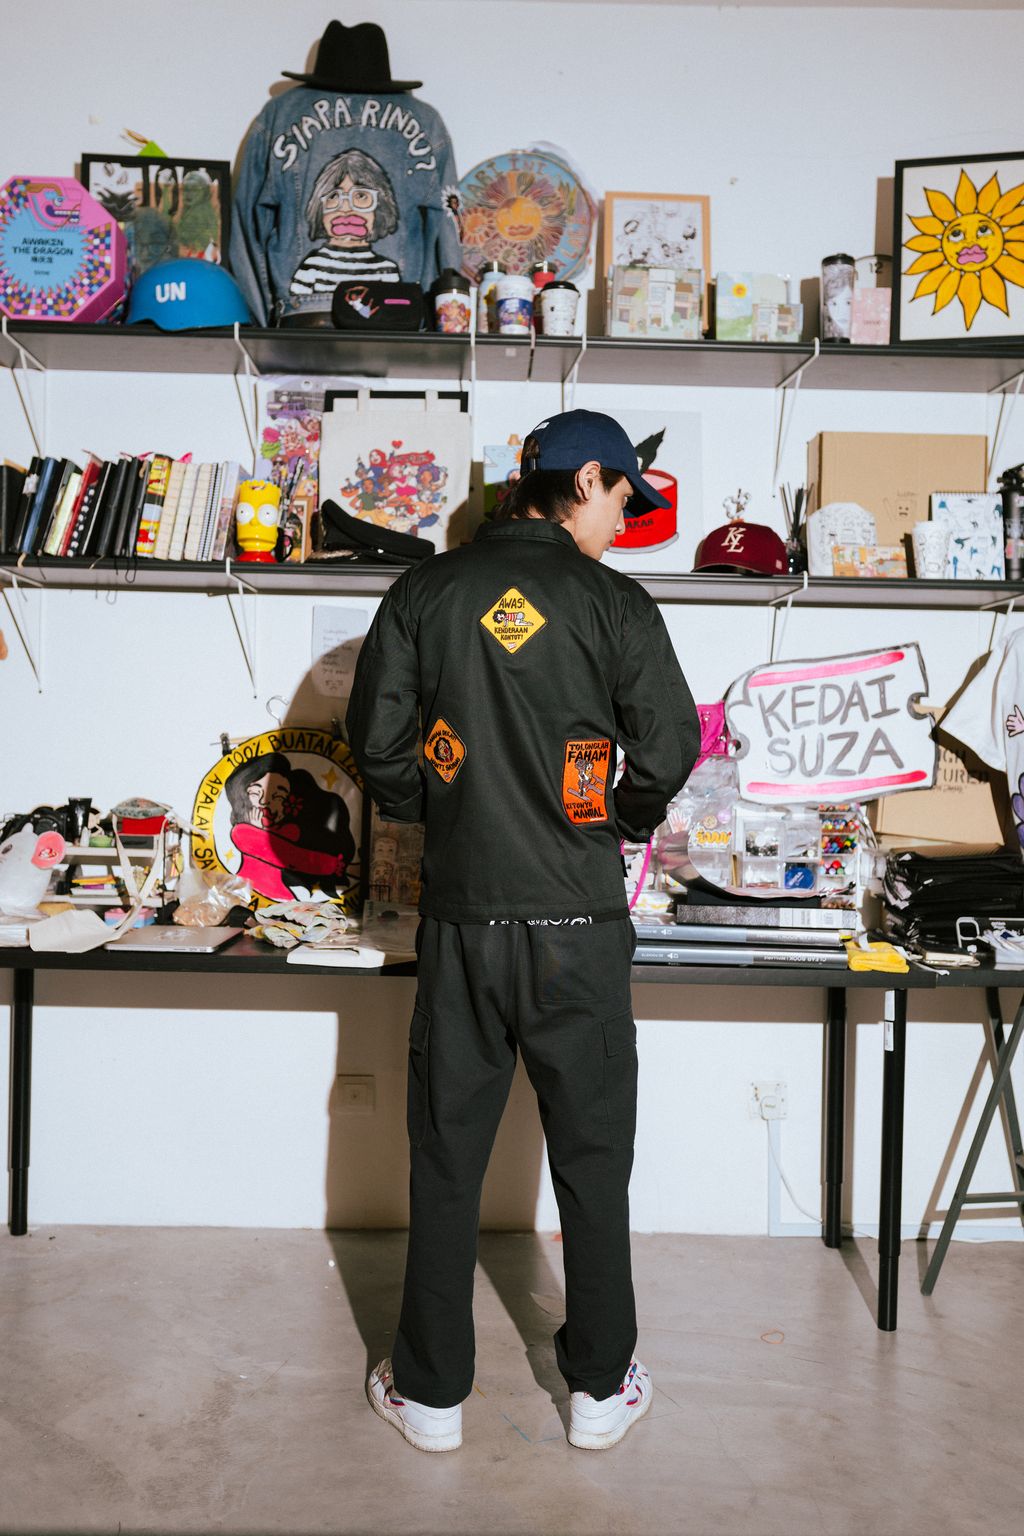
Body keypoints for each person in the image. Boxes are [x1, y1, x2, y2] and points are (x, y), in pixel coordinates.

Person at [346, 408, 700, 1453]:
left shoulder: (424, 592)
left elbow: (380, 747)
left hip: (463, 926)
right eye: (622, 496)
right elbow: (671, 746)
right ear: (584, 480)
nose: (623, 518)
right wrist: (616, 816)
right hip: (578, 928)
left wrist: (444, 807)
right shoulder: (613, 601)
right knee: (592, 1159)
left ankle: (430, 1398)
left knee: (447, 1156)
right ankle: (598, 1392)